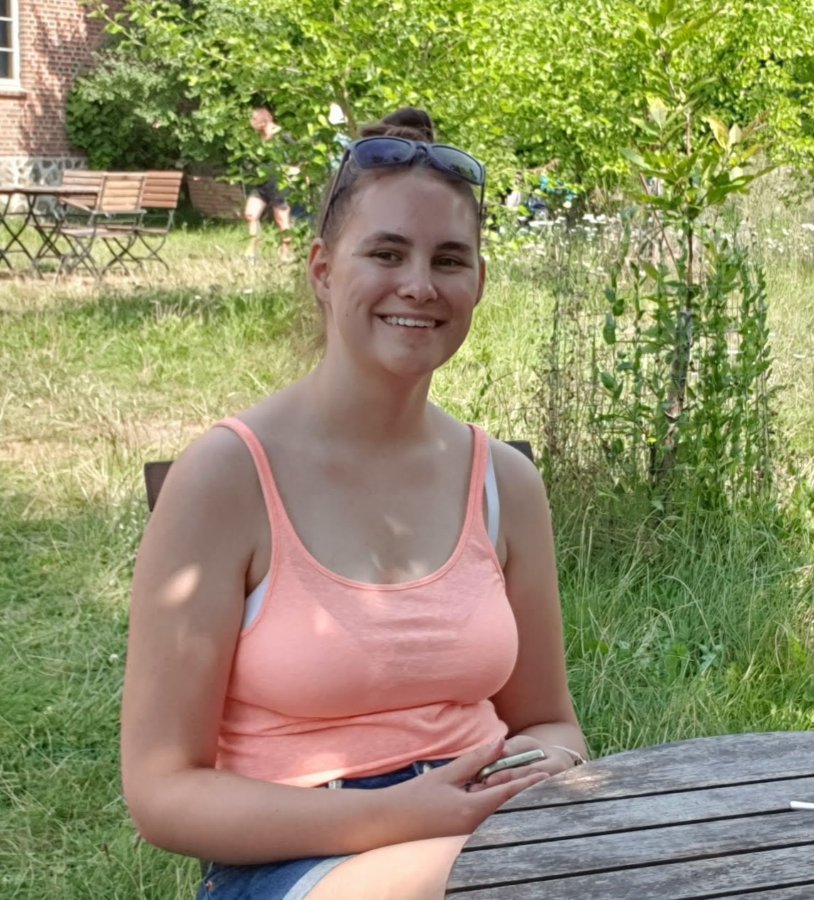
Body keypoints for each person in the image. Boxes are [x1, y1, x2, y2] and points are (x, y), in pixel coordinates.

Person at [121, 106, 587, 900]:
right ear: (322, 268)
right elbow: (162, 791)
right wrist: (399, 817)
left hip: (488, 831)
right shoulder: (228, 478)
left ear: (478, 282)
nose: (419, 285)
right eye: (386, 252)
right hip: (293, 853)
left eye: (449, 259)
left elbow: (548, 720)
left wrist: (545, 767)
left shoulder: (504, 483)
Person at [244, 107, 294, 263]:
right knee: (250, 214)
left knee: (282, 221)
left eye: (253, 119)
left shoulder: (282, 136)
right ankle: (252, 253)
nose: (251, 122)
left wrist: (296, 169)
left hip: (278, 185)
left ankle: (285, 254)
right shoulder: (258, 138)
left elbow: (300, 154)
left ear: (264, 120)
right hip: (260, 185)